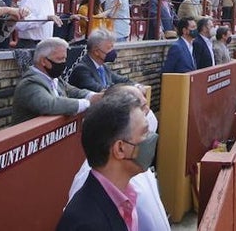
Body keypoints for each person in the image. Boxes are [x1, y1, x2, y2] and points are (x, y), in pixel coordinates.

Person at [66, 85, 170, 231]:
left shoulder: (126, 197)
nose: (152, 139)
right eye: (144, 133)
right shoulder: (86, 223)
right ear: (120, 148)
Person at [12, 37, 99, 125]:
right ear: (43, 61)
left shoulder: (55, 79)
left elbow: (72, 91)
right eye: (59, 59)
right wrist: (87, 103)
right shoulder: (30, 84)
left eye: (65, 58)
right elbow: (50, 104)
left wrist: (94, 96)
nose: (63, 63)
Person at [69, 28, 141, 94]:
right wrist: (128, 90)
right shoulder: (82, 69)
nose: (113, 51)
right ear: (96, 51)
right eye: (109, 48)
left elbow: (121, 80)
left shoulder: (102, 66)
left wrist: (137, 86)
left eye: (113, 46)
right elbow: (99, 89)